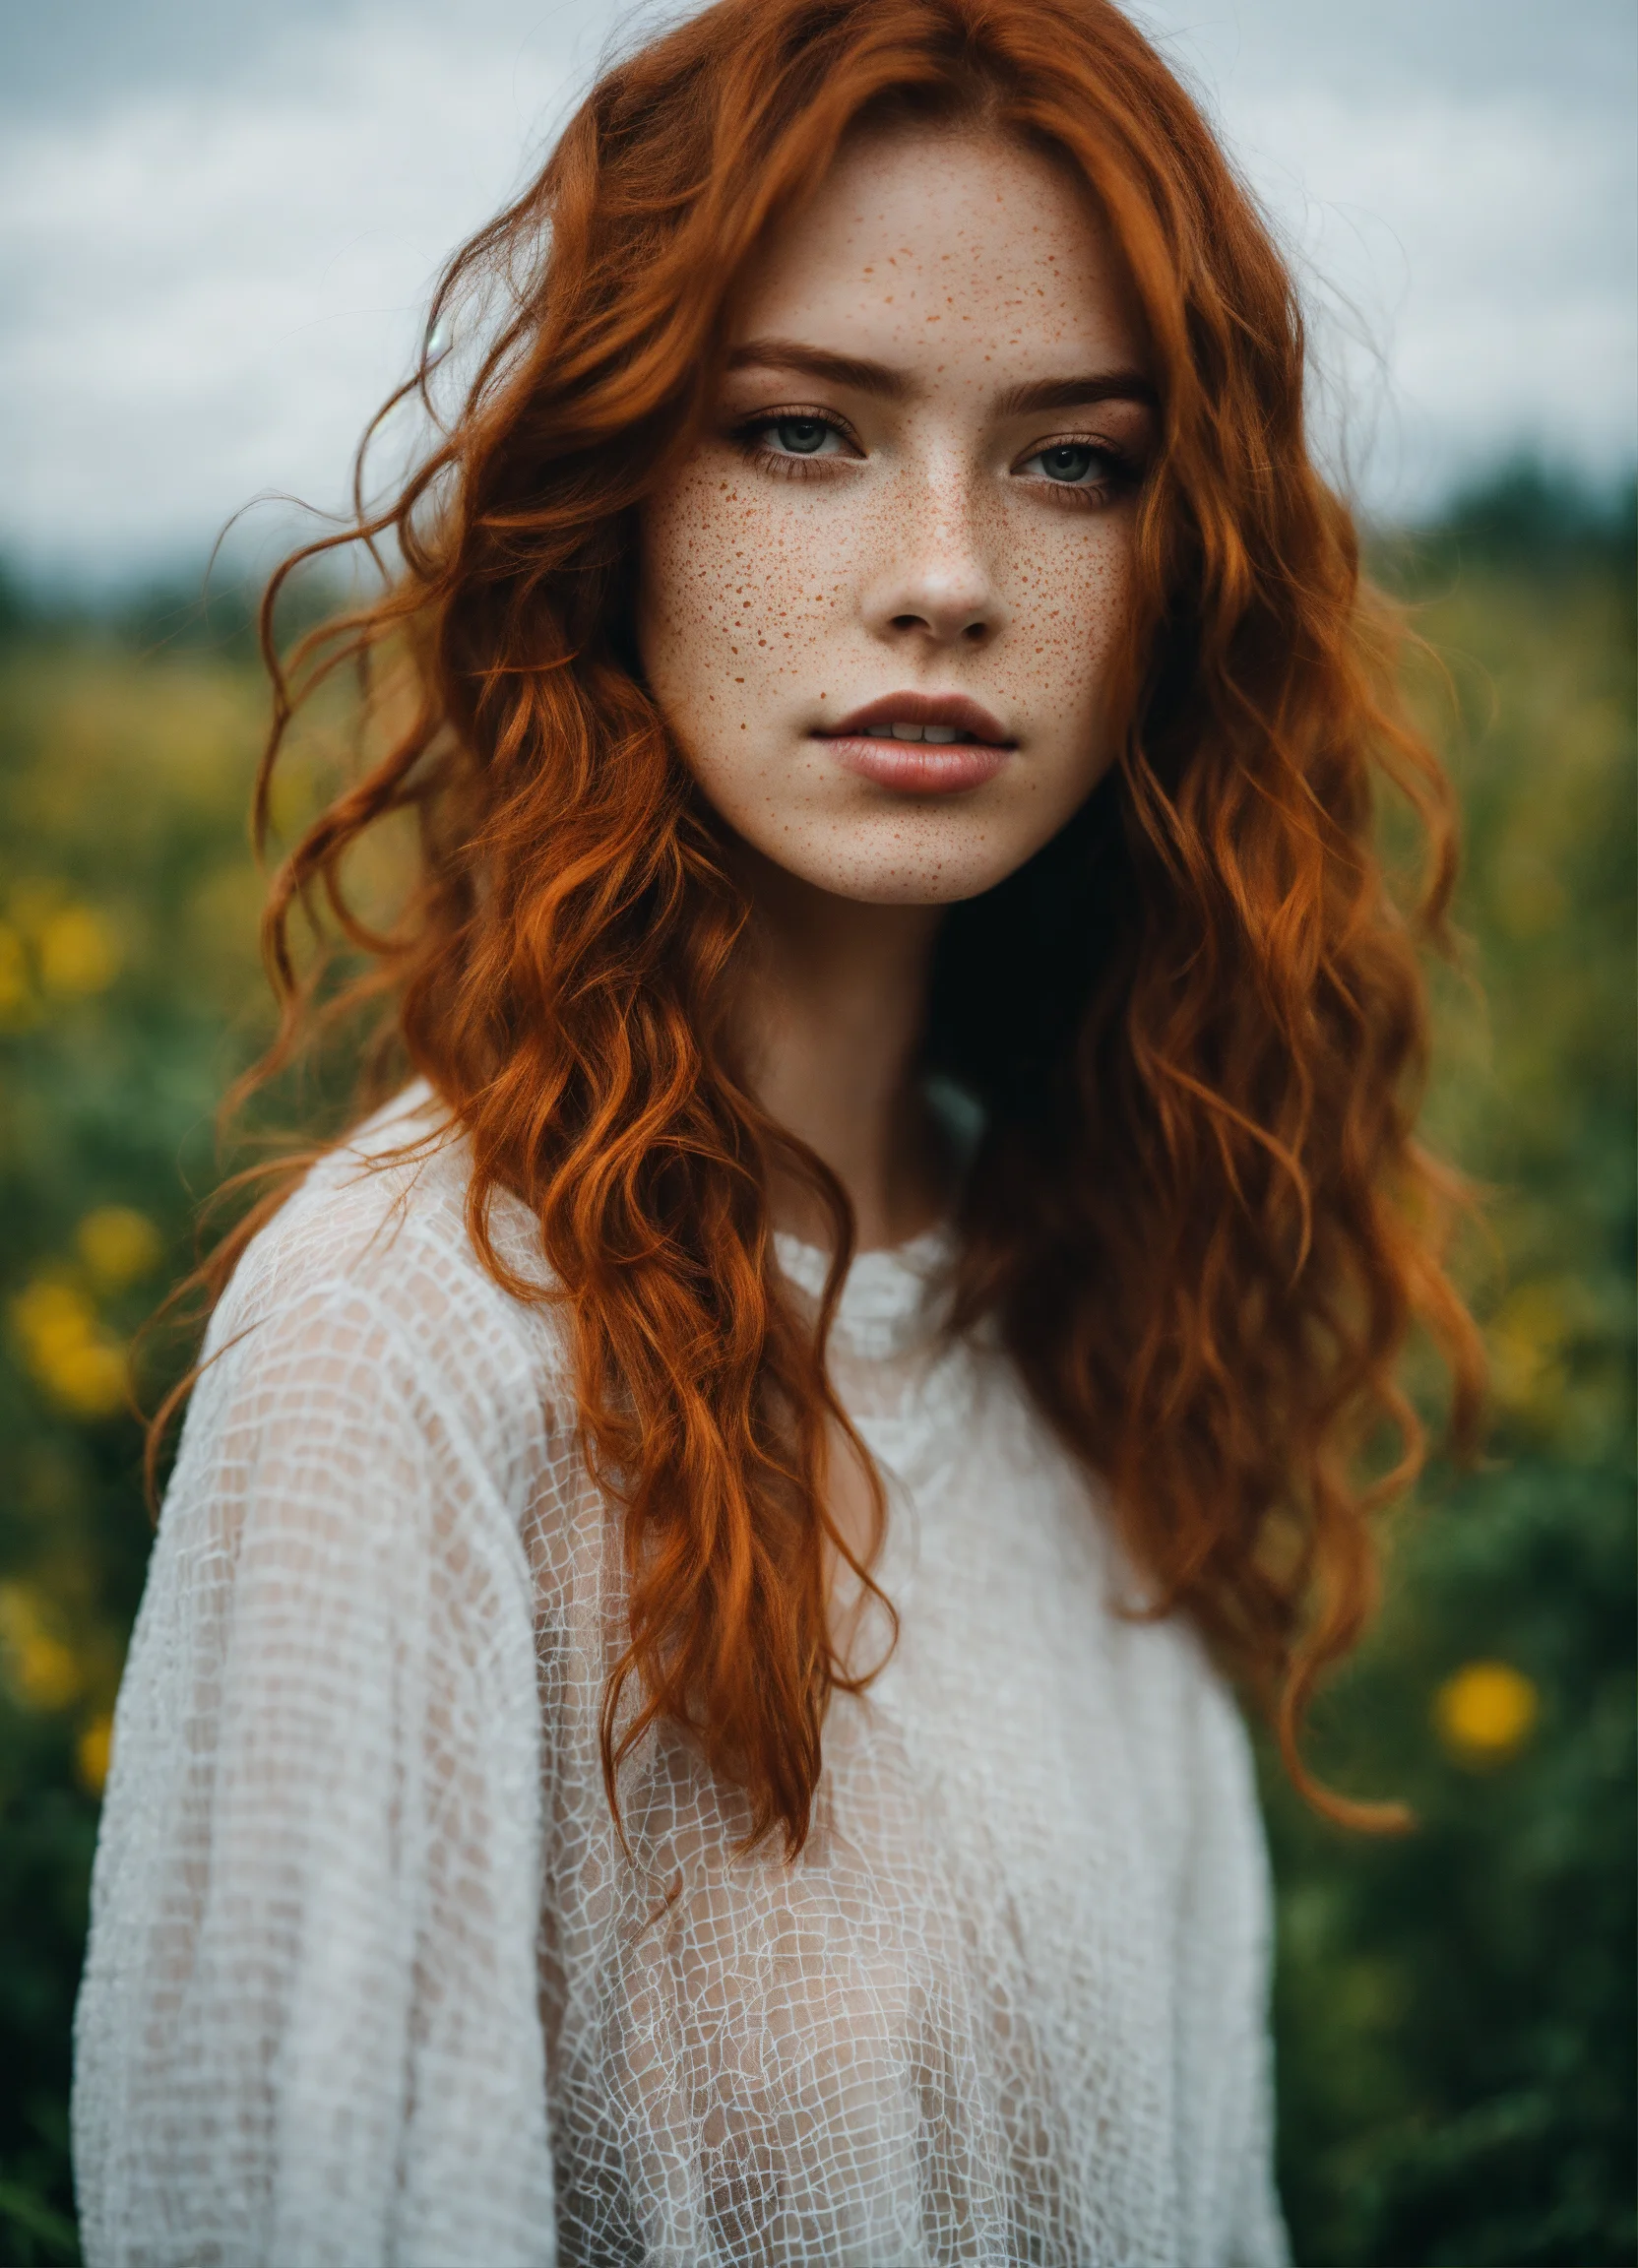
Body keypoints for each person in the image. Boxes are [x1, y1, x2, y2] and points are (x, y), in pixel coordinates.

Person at [71, 0, 1481, 2260]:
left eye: (1072, 460)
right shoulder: (407, 1348)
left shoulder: (1079, 1315)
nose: (946, 572)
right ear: (613, 499)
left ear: (1175, 562)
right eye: (804, 433)